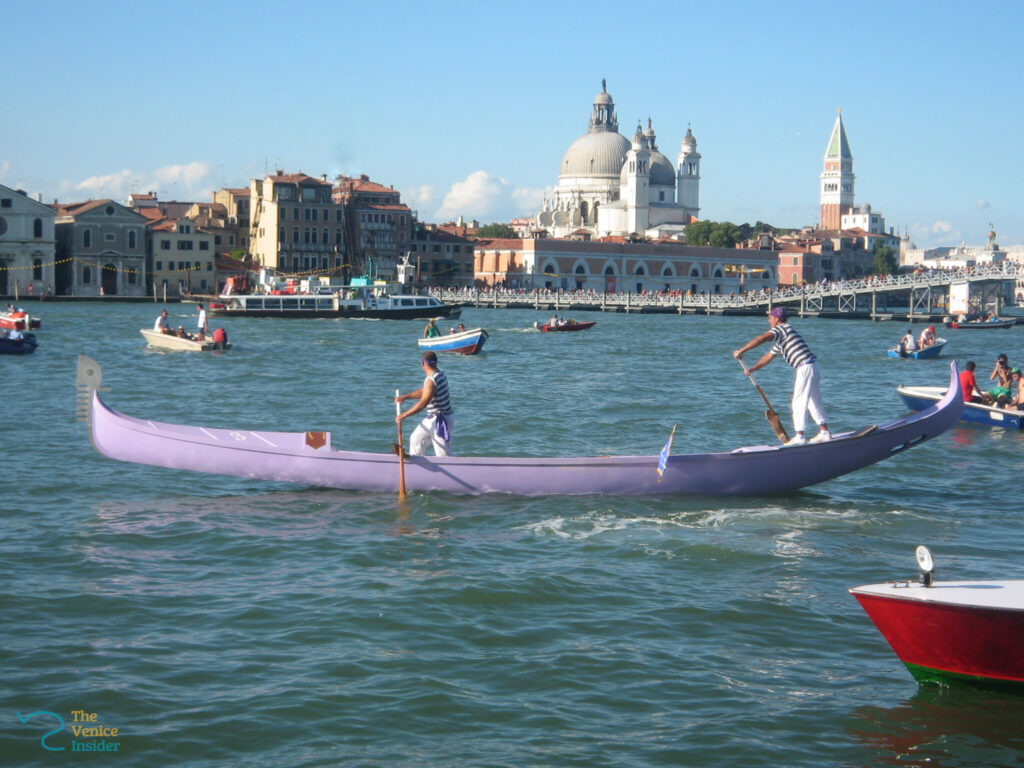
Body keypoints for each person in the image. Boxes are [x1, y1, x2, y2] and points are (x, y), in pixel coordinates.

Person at [734, 306, 830, 446]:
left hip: (805, 367)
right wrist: (753, 368)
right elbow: (769, 356)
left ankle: (800, 436)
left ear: (777, 319)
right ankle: (824, 432)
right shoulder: (784, 337)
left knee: (798, 401)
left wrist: (742, 350)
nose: (769, 321)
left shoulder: (782, 329)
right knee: (812, 401)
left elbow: (762, 338)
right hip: (813, 366)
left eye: (770, 318)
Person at [395, 351, 455, 456]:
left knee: (443, 455)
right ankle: (417, 465)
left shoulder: (431, 380)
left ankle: (454, 469)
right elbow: (424, 391)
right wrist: (405, 397)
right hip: (433, 419)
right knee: (415, 439)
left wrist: (404, 415)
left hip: (440, 421)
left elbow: (423, 403)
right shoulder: (439, 374)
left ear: (423, 363)